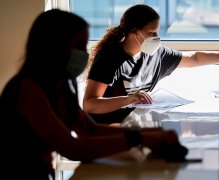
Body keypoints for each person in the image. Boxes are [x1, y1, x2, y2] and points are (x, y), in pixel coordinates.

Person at [0, 9, 187, 180]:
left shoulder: (63, 85)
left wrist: (156, 133)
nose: (83, 53)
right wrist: (142, 139)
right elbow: (73, 148)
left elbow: (89, 130)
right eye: (78, 46)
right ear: (54, 47)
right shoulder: (28, 89)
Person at [82, 4, 219, 124]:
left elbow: (195, 58)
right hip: (103, 131)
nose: (155, 37)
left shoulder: (156, 54)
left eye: (157, 31)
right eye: (150, 32)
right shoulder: (110, 58)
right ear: (134, 32)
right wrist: (128, 99)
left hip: (131, 126)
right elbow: (90, 104)